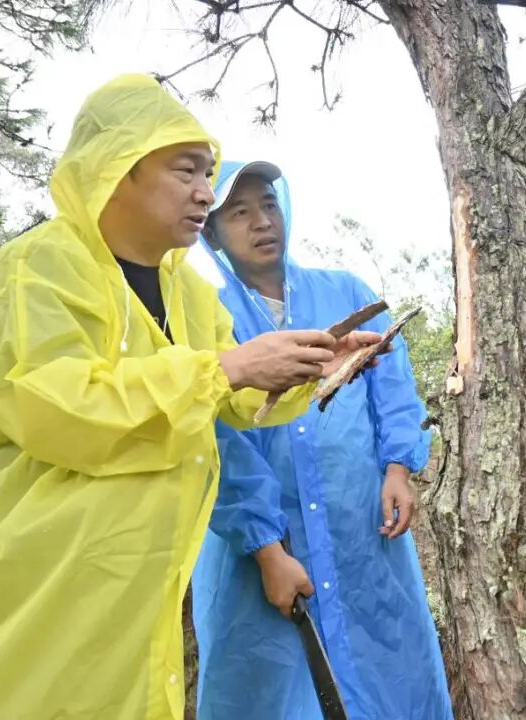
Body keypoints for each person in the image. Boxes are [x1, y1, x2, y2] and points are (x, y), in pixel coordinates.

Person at [0, 76, 380, 719]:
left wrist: (306, 370)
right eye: (186, 170)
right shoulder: (32, 271)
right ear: (116, 168)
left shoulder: (188, 294)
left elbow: (228, 400)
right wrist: (227, 368)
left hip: (133, 594)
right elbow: (56, 409)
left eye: (208, 173)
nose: (206, 192)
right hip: (31, 583)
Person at [190, 160, 453, 719]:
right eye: (240, 212)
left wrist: (398, 468)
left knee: (389, 675)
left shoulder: (343, 293)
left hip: (360, 530)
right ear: (212, 233)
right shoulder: (209, 317)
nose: (262, 221)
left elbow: (391, 384)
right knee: (274, 690)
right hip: (264, 552)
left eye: (268, 205)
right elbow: (217, 440)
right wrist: (266, 548)